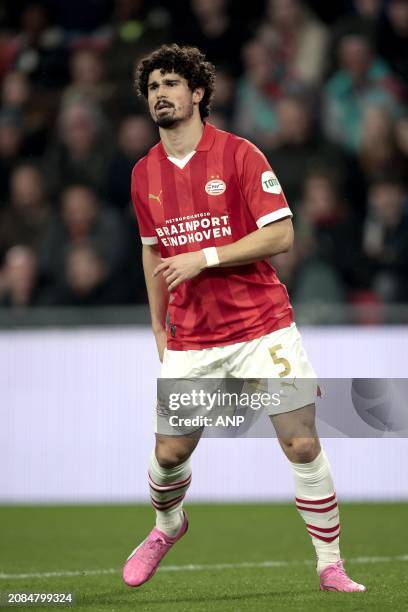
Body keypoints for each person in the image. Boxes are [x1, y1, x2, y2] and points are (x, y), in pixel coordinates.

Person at [123, 44, 366, 594]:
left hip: (263, 327)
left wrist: (205, 256)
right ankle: (168, 526)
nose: (160, 94)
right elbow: (151, 253)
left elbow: (281, 234)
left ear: (198, 93)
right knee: (168, 455)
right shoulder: (144, 175)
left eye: (171, 84)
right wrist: (159, 326)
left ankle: (330, 564)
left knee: (301, 444)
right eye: (153, 87)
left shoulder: (238, 155)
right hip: (194, 338)